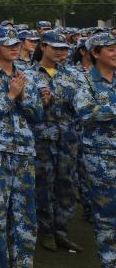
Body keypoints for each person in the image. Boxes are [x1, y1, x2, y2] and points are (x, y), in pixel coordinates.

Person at [0, 26, 44, 268]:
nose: (14, 48)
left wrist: (23, 97)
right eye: (8, 44)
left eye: (17, 44)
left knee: (25, 211)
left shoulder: (27, 76)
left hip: (23, 150)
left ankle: (23, 261)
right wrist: (10, 96)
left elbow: (38, 115)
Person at [31, 31, 83, 252]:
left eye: (64, 49)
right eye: (56, 48)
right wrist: (41, 103)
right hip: (43, 139)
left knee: (67, 185)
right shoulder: (29, 74)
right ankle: (46, 231)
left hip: (68, 139)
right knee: (44, 186)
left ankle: (61, 231)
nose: (61, 53)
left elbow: (81, 103)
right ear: (43, 47)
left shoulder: (73, 74)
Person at [73, 31, 116, 268]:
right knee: (107, 215)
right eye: (111, 49)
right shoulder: (84, 81)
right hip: (101, 158)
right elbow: (87, 113)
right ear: (96, 53)